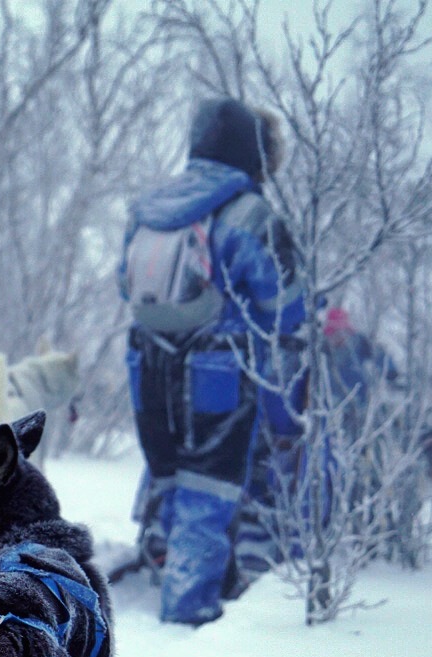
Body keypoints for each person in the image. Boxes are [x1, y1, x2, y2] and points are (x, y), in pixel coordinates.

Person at [118, 97, 307, 624]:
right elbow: (285, 308)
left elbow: (122, 285)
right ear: (253, 152)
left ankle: (161, 570)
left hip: (146, 366)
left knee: (169, 476)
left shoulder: (148, 210)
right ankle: (187, 616)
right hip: (216, 371)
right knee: (208, 489)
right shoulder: (249, 213)